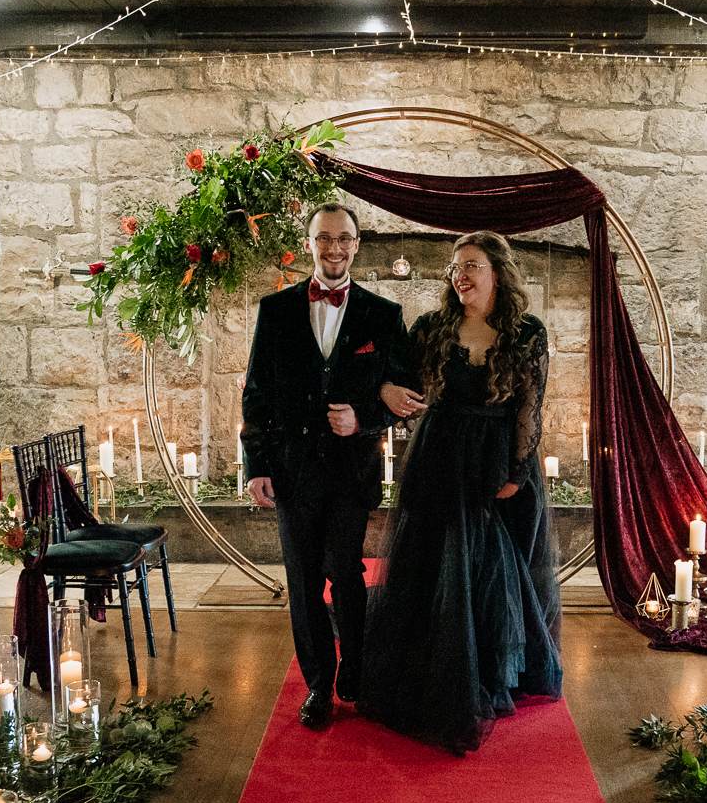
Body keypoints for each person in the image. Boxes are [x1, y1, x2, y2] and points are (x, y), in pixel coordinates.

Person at [358, 232, 563, 754]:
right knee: (436, 563)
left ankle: (492, 672)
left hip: (497, 457)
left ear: (498, 272)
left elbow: (530, 407)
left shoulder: (526, 332)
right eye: (454, 267)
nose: (459, 275)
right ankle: (435, 671)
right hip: (439, 457)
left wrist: (517, 470)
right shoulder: (432, 327)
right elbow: (390, 373)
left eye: (471, 265)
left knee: (493, 567)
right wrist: (383, 390)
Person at [240, 203, 414, 730]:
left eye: (344, 239)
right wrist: (257, 465)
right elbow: (256, 395)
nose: (334, 248)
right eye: (324, 238)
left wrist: (363, 419)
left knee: (346, 574)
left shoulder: (384, 316)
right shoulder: (275, 311)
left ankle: (355, 674)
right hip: (292, 471)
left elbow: (409, 397)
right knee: (302, 579)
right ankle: (318, 681)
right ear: (310, 242)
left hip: (350, 472)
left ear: (356, 245)